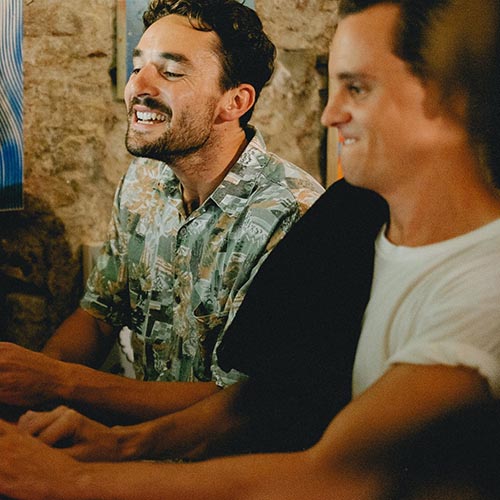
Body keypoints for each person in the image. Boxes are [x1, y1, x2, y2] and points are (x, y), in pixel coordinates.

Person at [1, 0, 500, 497]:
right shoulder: (347, 217)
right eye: (137, 67)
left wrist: (72, 462)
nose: (329, 114)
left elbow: (330, 468)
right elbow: (260, 397)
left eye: (358, 87)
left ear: (454, 98)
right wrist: (112, 441)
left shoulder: (301, 214)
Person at [0, 0, 323, 426]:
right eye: (138, 66)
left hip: (225, 462)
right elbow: (99, 316)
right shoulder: (143, 180)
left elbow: (241, 403)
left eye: (170, 72)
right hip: (134, 448)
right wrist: (28, 389)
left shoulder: (293, 216)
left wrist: (61, 382)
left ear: (235, 101)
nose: (138, 86)